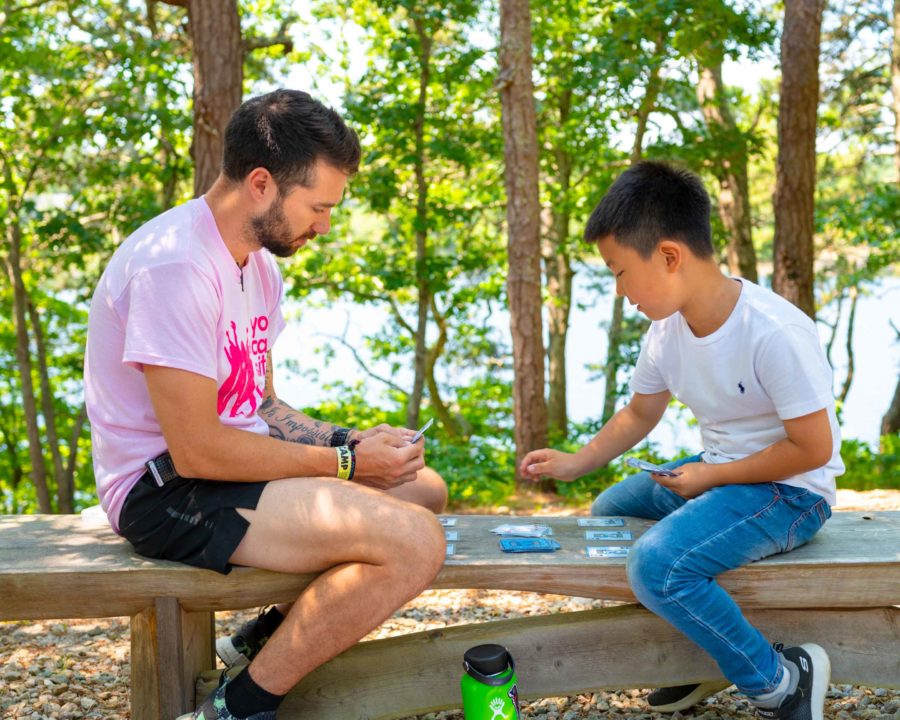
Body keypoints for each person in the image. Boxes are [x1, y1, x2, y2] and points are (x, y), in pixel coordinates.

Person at [84, 89, 448, 720]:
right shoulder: (174, 266)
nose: (325, 225)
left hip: (225, 471)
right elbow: (197, 450)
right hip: (163, 491)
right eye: (319, 206)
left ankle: (260, 639)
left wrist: (350, 442)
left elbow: (264, 405)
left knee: (423, 491)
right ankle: (239, 708)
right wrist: (345, 468)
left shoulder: (257, 267)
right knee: (415, 542)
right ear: (261, 184)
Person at [520, 161, 843, 720]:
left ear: (670, 256)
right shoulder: (666, 332)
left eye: (620, 272)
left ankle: (779, 681)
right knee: (611, 512)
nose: (621, 292)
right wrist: (575, 462)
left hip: (791, 493)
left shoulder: (774, 332)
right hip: (720, 470)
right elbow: (639, 412)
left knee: (656, 564)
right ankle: (698, 656)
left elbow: (814, 450)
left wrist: (711, 476)